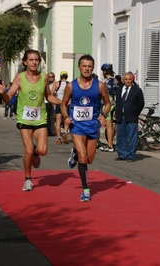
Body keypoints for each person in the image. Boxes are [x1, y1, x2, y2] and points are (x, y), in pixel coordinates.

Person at [0, 49, 62, 191]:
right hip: (24, 119)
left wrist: (63, 102)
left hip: (40, 119)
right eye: (31, 60)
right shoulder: (19, 78)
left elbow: (48, 97)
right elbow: (8, 98)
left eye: (36, 60)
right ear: (25, 62)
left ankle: (36, 152)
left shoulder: (44, 77)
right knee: (28, 150)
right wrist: (2, 92)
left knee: (42, 151)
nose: (34, 62)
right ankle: (28, 179)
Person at [60, 54, 111, 202]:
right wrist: (66, 117)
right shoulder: (71, 86)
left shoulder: (100, 85)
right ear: (79, 67)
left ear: (93, 68)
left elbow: (107, 103)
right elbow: (63, 104)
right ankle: (85, 189)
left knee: (89, 160)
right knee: (83, 157)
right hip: (77, 125)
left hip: (92, 125)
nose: (87, 69)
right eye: (84, 66)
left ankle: (75, 153)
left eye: (89, 66)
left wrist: (103, 115)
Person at [114, 72, 145, 162]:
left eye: (129, 79)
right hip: (121, 116)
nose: (127, 81)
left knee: (132, 137)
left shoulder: (137, 90)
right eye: (126, 79)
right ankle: (122, 154)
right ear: (123, 80)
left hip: (132, 116)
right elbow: (118, 102)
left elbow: (141, 103)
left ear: (132, 80)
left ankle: (131, 155)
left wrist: (135, 113)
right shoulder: (119, 89)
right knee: (121, 136)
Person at [99, 63, 116, 152]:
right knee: (109, 125)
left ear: (105, 71)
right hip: (111, 102)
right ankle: (110, 144)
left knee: (109, 125)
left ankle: (110, 145)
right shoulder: (114, 81)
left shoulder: (107, 82)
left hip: (107, 103)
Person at [52, 70, 70, 144]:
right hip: (66, 104)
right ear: (67, 76)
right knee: (67, 120)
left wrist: (54, 101)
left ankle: (59, 138)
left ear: (60, 76)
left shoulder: (56, 84)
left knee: (58, 121)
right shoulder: (69, 84)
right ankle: (65, 132)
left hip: (59, 103)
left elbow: (51, 93)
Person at [46, 72, 56, 136]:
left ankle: (51, 131)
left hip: (52, 102)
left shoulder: (55, 84)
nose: (51, 78)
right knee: (46, 118)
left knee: (51, 117)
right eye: (49, 77)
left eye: (52, 77)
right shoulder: (45, 84)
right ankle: (47, 131)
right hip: (45, 102)